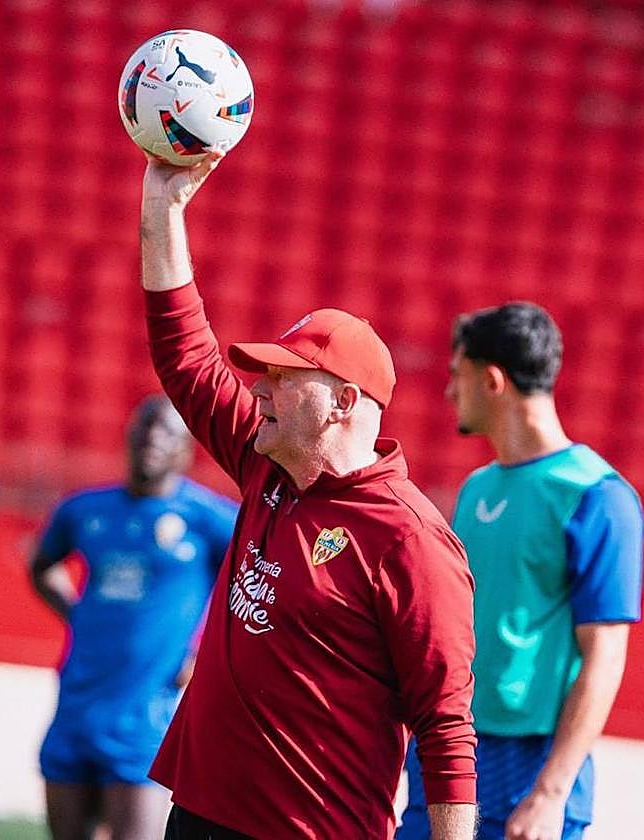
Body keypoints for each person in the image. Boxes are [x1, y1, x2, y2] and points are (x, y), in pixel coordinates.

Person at [137, 151, 478, 840]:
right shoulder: (269, 463)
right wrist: (163, 206)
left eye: (283, 378)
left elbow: (445, 725)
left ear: (343, 403)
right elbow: (184, 355)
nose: (258, 390)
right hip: (200, 815)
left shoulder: (408, 539)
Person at [397, 304, 644, 840]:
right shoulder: (476, 490)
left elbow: (605, 654)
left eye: (455, 376)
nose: (447, 392)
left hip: (527, 770)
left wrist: (552, 793)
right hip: (447, 752)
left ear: (491, 381)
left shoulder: (598, 497)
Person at [30, 395, 238, 840]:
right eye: (144, 427)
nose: (152, 438)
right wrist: (77, 615)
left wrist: (203, 651)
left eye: (166, 431)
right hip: (76, 707)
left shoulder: (209, 519)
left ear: (186, 449)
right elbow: (42, 565)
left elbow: (257, 580)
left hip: (145, 716)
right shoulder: (85, 510)